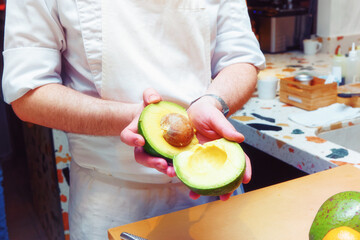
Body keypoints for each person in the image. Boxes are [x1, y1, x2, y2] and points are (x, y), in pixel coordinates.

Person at [2, 0, 265, 239]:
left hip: (211, 195)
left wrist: (213, 101)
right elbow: (28, 93)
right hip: (111, 199)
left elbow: (241, 58)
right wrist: (134, 119)